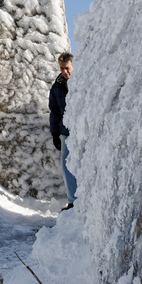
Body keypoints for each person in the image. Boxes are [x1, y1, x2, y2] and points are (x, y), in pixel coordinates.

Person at [49, 51, 77, 209]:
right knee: (66, 164)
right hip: (66, 133)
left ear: (73, 66)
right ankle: (73, 200)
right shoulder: (57, 87)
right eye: (61, 68)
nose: (64, 71)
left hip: (84, 132)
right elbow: (54, 111)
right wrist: (54, 133)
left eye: (67, 68)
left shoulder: (82, 81)